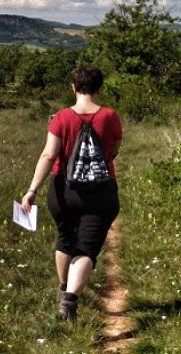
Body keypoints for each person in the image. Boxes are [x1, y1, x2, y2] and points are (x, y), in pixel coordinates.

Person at [21, 66, 123, 320]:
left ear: (73, 87)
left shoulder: (61, 117)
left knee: (65, 239)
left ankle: (63, 289)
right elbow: (114, 149)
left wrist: (32, 190)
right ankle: (70, 301)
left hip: (63, 190)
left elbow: (49, 154)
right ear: (100, 89)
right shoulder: (110, 116)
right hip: (100, 192)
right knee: (86, 249)